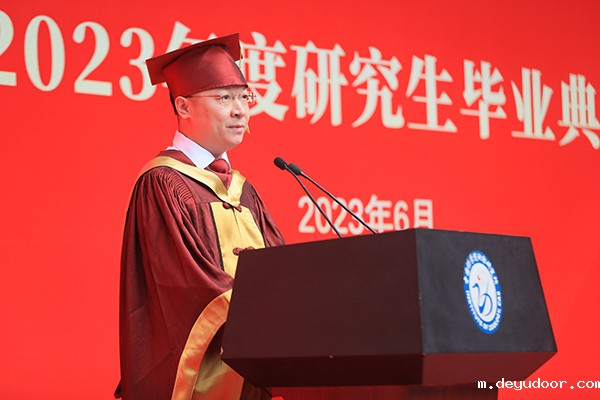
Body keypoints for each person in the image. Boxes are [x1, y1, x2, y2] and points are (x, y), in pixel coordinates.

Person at [116, 33, 285, 400]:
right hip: (196, 381)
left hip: (251, 376)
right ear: (183, 106)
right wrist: (262, 313)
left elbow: (281, 270)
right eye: (224, 98)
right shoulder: (163, 183)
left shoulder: (244, 190)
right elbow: (184, 285)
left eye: (244, 97)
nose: (240, 110)